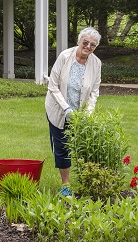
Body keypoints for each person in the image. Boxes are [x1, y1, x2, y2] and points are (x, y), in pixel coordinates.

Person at [45, 27, 102, 196]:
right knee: (62, 145)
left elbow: (94, 92)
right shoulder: (65, 57)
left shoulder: (96, 63)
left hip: (81, 112)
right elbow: (53, 86)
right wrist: (66, 108)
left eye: (92, 45)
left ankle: (87, 182)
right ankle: (66, 185)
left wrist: (88, 113)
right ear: (78, 41)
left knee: (82, 145)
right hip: (58, 109)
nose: (88, 47)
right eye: (85, 42)